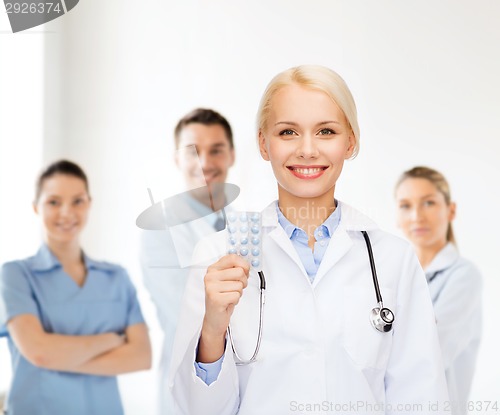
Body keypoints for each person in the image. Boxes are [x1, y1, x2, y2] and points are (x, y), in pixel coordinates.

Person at [168, 65, 449, 415]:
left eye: (326, 131)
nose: (307, 150)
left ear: (350, 142)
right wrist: (212, 328)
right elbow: (195, 410)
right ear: (263, 143)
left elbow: (422, 399)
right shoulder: (216, 256)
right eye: (287, 132)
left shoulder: (393, 259)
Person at [0, 160, 151, 415]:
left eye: (77, 201)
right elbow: (39, 353)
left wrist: (58, 356)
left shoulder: (116, 278)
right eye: (54, 202)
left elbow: (141, 356)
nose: (67, 212)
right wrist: (110, 341)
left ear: (89, 204)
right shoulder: (16, 275)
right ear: (36, 207)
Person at [140, 108, 235, 415]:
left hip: (239, 388)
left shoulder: (245, 226)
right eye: (193, 152)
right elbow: (190, 312)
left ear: (231, 155)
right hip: (185, 391)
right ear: (177, 159)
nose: (205, 163)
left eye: (216, 150)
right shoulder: (161, 228)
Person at [395, 166, 482, 415]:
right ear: (397, 216)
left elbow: (430, 354)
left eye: (429, 203)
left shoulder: (463, 277)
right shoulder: (391, 275)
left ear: (450, 210)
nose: (416, 216)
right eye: (405, 205)